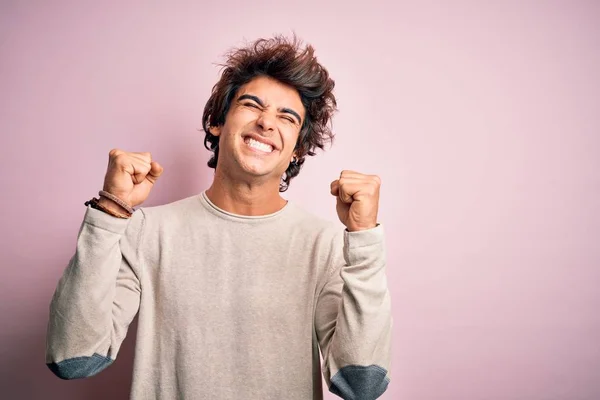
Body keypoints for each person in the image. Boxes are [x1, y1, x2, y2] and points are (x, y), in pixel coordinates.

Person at [45, 35, 393, 400]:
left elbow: (361, 383)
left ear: (298, 149)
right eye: (251, 105)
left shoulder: (326, 245)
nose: (266, 123)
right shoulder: (146, 231)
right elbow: (73, 357)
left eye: (286, 117)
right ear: (217, 122)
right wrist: (110, 210)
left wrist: (364, 237)